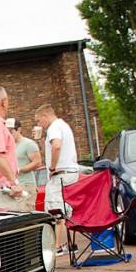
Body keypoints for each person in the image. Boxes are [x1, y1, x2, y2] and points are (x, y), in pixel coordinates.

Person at [35, 104, 79, 251]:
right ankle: (69, 244)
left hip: (60, 174)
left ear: (45, 116)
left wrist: (52, 168)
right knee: (66, 210)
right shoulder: (64, 125)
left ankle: (57, 246)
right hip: (70, 173)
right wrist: (40, 140)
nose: (39, 124)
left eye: (38, 120)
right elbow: (52, 147)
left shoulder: (54, 127)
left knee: (55, 211)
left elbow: (56, 146)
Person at [8, 118, 43, 201]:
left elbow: (38, 163)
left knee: (27, 208)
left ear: (19, 130)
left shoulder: (28, 144)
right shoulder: (8, 146)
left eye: (11, 131)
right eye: (6, 132)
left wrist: (19, 169)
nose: (8, 134)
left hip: (26, 184)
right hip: (13, 187)